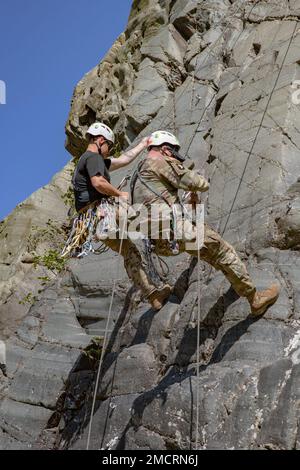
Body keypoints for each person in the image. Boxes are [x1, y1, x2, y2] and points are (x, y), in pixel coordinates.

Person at [130, 130, 280, 317]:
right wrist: (189, 177)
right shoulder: (161, 161)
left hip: (158, 244)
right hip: (176, 233)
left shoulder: (137, 174)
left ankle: (235, 278)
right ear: (166, 150)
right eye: (174, 155)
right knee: (223, 251)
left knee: (210, 251)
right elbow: (200, 184)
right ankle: (254, 298)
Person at [72, 122, 172, 310]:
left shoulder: (88, 161)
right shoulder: (93, 158)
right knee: (145, 220)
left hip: (96, 221)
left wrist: (143, 144)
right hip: (106, 210)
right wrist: (119, 194)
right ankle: (170, 243)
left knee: (128, 251)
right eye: (108, 145)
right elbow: (98, 182)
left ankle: (152, 295)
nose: (109, 151)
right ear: (101, 140)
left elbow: (125, 159)